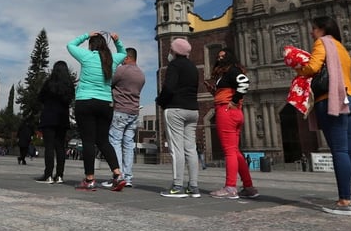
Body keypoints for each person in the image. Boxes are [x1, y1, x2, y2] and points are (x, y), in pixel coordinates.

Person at [297, 16, 351, 216]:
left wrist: (299, 70)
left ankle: (345, 201)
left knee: (339, 151)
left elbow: (312, 67)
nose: (312, 33)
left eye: (313, 29)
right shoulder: (341, 47)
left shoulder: (323, 42)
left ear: (322, 29)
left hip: (332, 97)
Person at [67, 31, 128, 192]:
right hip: (105, 103)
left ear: (91, 45)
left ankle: (89, 179)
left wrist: (86, 35)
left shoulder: (87, 56)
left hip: (85, 102)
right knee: (103, 141)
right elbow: (123, 53)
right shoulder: (112, 60)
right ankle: (117, 174)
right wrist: (117, 41)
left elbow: (70, 45)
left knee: (88, 141)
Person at [207, 48, 259, 200]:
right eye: (218, 56)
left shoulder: (232, 70)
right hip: (235, 113)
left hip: (227, 112)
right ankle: (248, 186)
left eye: (223, 56)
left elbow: (244, 82)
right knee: (235, 151)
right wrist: (214, 92)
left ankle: (230, 187)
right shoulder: (227, 73)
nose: (220, 58)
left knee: (229, 151)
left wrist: (234, 100)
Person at [156, 38, 201, 198]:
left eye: (170, 49)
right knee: (191, 148)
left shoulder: (174, 65)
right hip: (193, 110)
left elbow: (169, 87)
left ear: (175, 51)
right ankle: (193, 186)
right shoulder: (193, 67)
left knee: (176, 148)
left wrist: (160, 101)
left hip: (176, 108)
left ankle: (177, 186)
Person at [105, 48, 145, 188]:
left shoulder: (122, 70)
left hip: (121, 110)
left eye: (123, 57)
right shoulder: (141, 74)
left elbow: (109, 82)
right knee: (128, 144)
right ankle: (128, 178)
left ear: (127, 57)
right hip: (134, 112)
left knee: (115, 141)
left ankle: (118, 175)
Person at [36, 61, 75, 184]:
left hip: (49, 116)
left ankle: (48, 175)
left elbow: (40, 97)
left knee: (49, 147)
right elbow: (71, 100)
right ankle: (59, 175)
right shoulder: (69, 85)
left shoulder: (49, 83)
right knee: (60, 147)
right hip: (62, 118)